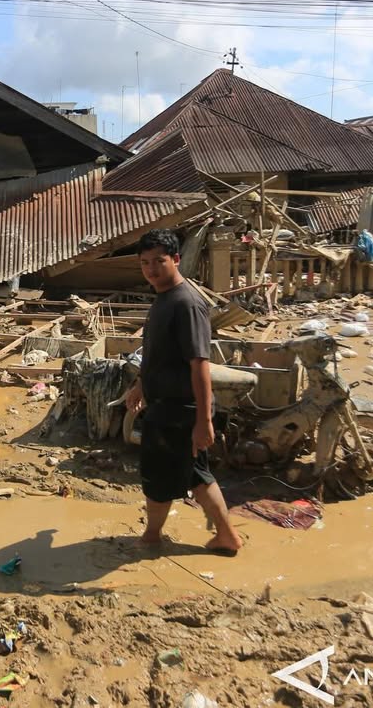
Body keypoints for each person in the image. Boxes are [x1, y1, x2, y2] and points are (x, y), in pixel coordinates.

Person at [124, 228, 244, 556]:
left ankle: (151, 537)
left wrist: (204, 421)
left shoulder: (186, 303)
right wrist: (140, 385)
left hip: (180, 409)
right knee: (194, 475)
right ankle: (226, 536)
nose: (151, 269)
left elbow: (199, 364)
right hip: (167, 405)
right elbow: (158, 352)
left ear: (176, 259)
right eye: (145, 262)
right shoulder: (164, 298)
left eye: (159, 261)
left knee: (160, 475)